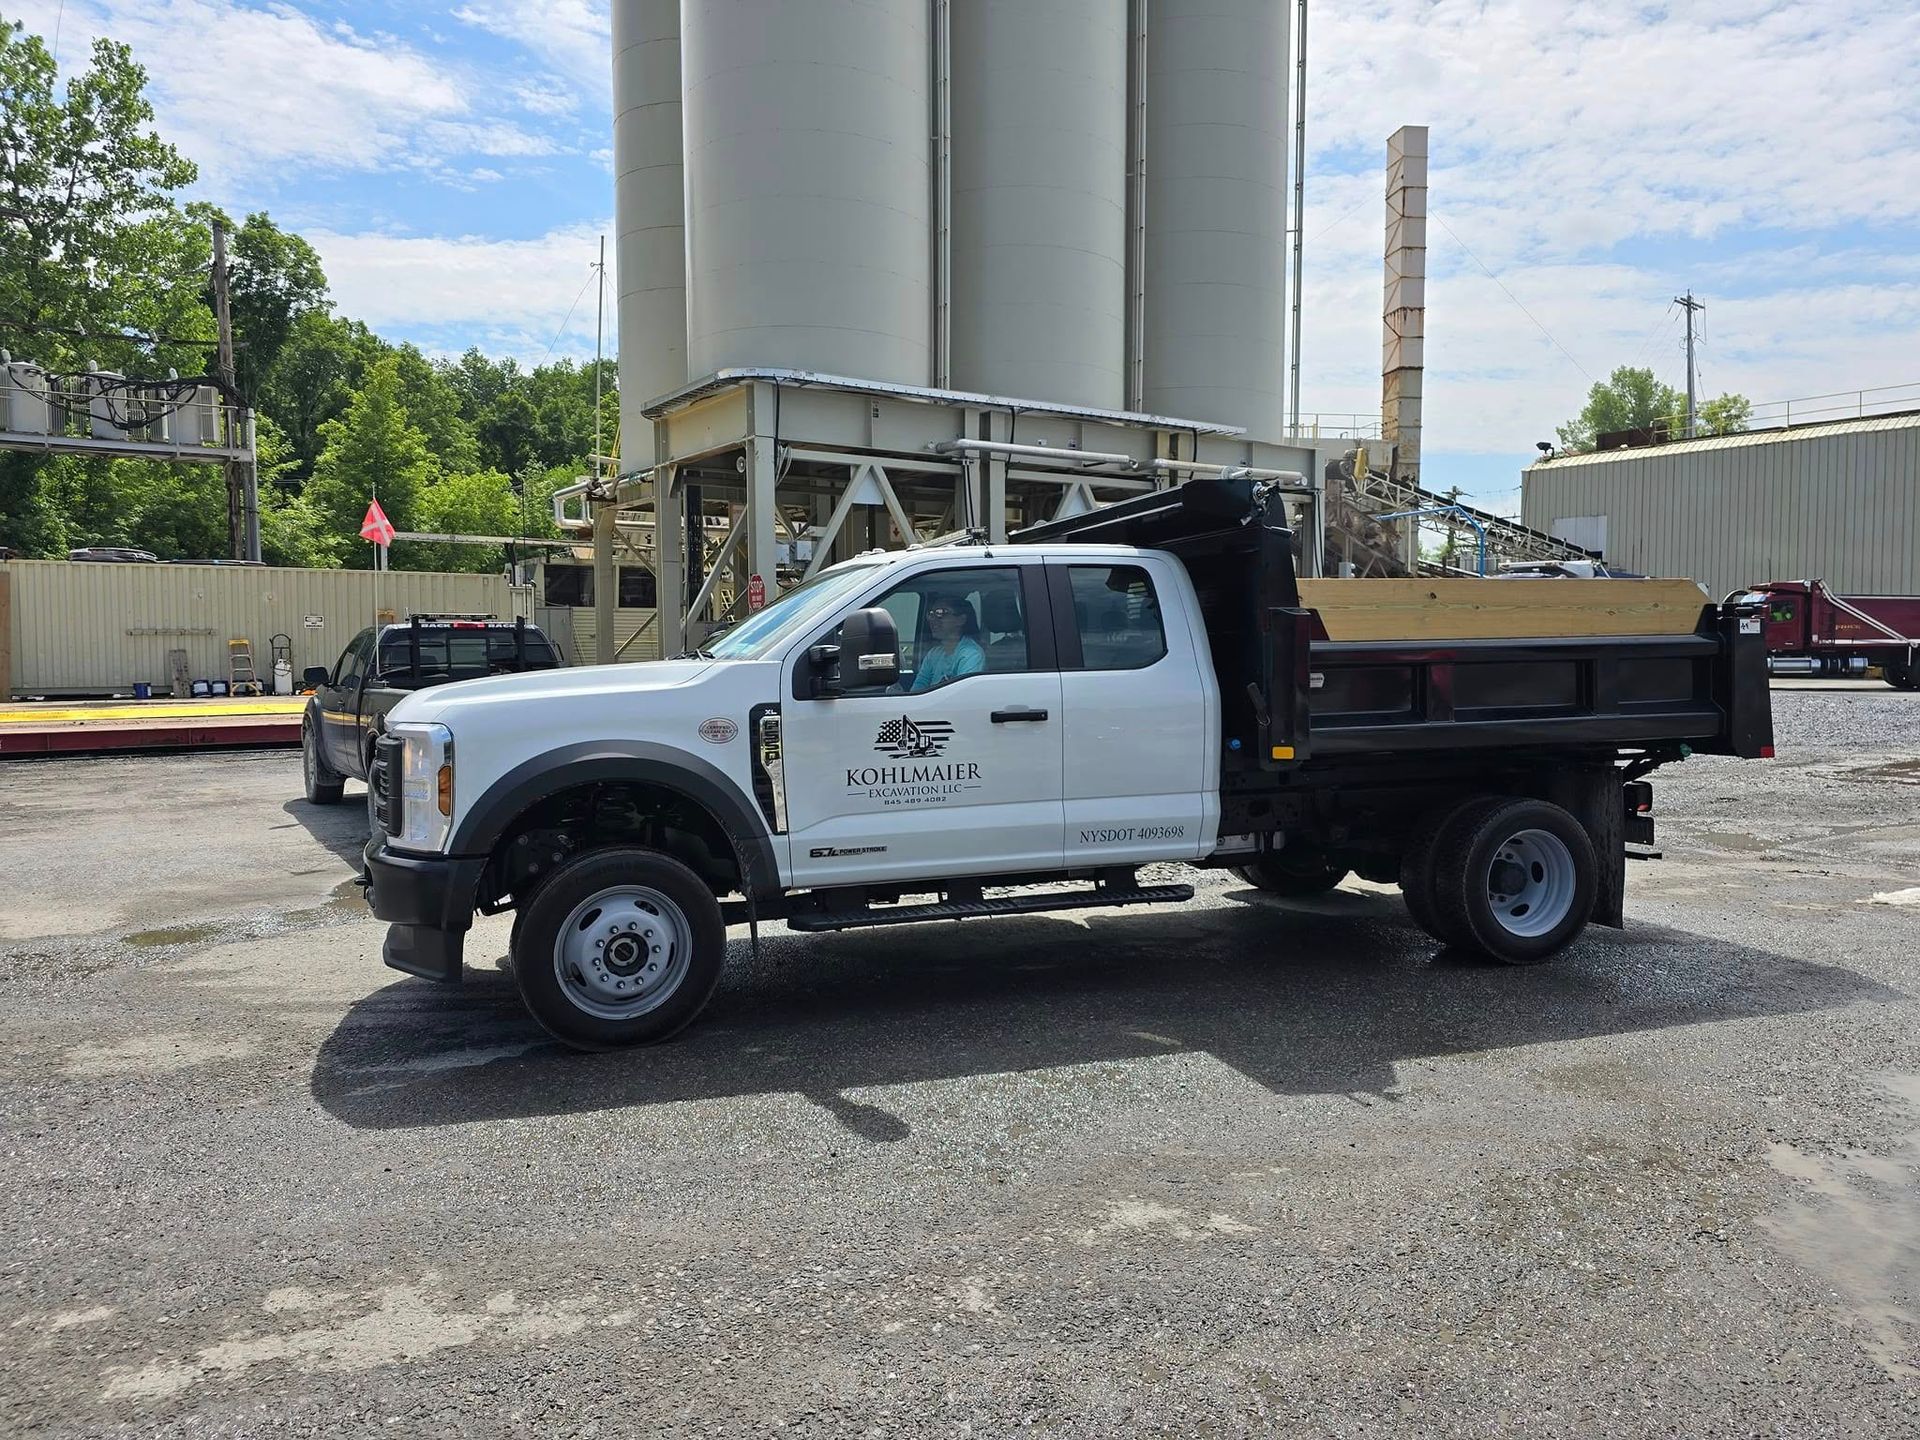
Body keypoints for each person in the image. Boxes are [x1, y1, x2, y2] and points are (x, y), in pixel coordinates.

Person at [908, 592, 985, 693]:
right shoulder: (934, 654)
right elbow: (917, 690)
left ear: (961, 620)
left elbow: (962, 695)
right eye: (931, 614)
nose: (933, 619)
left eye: (941, 613)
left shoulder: (971, 655)